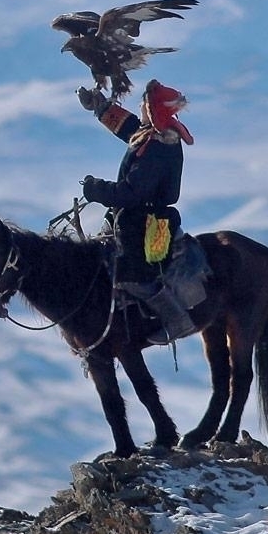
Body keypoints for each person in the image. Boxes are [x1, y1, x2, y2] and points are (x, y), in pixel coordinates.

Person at [77, 79, 196, 342]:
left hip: (144, 221)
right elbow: (130, 128)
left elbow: (132, 193)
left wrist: (96, 190)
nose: (140, 107)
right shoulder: (153, 134)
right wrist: (101, 108)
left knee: (134, 276)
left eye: (144, 104)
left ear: (153, 110)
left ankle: (177, 320)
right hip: (132, 216)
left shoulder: (158, 148)